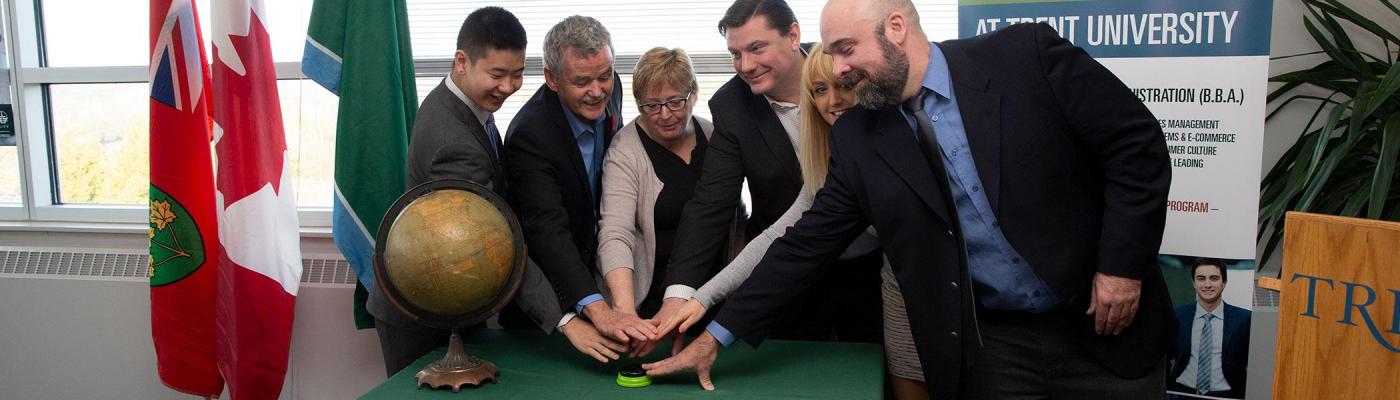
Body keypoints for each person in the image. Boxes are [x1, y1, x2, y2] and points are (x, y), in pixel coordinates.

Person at [645, 0, 1176, 398]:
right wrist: (718, 334)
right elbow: (803, 244)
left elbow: (1136, 146)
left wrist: (1121, 268)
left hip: (1101, 327)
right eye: (831, 56)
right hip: (993, 345)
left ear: (896, 28)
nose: (840, 71)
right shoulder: (859, 137)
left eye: (847, 51)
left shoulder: (1025, 56)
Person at [655, 43, 928, 399]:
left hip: (924, 282)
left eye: (843, 85)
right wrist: (702, 299)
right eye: (819, 90)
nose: (833, 101)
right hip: (884, 285)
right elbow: (781, 238)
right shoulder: (832, 157)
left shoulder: (908, 134)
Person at [659, 0, 884, 344]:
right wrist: (682, 295)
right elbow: (711, 204)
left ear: (793, 35)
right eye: (735, 53)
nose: (745, 65)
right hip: (788, 271)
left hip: (874, 266)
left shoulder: (848, 71)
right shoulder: (731, 106)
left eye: (756, 48)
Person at [370, 6, 566, 376]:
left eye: (518, 74)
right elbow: (488, 244)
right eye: (497, 74)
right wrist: (563, 321)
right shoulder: (453, 142)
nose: (508, 87)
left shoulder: (463, 103)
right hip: (423, 309)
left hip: (455, 294)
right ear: (462, 61)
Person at [504, 15, 658, 364]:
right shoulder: (529, 136)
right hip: (551, 304)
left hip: (601, 275)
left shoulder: (612, 87)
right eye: (582, 81)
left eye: (604, 76)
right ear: (551, 79)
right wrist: (596, 309)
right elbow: (548, 233)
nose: (597, 90)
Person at [595, 47, 718, 356]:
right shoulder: (625, 151)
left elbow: (732, 216)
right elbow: (615, 233)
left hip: (712, 297)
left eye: (675, 102)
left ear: (692, 94)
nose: (665, 114)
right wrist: (624, 312)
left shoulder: (714, 135)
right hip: (650, 305)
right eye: (652, 105)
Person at [1170, 258, 1250, 398]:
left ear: (1224, 283)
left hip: (1226, 396)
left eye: (1214, 278)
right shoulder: (1177, 316)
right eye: (1201, 279)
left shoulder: (1244, 319)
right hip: (1181, 394)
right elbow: (1163, 358)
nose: (1207, 284)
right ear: (1193, 283)